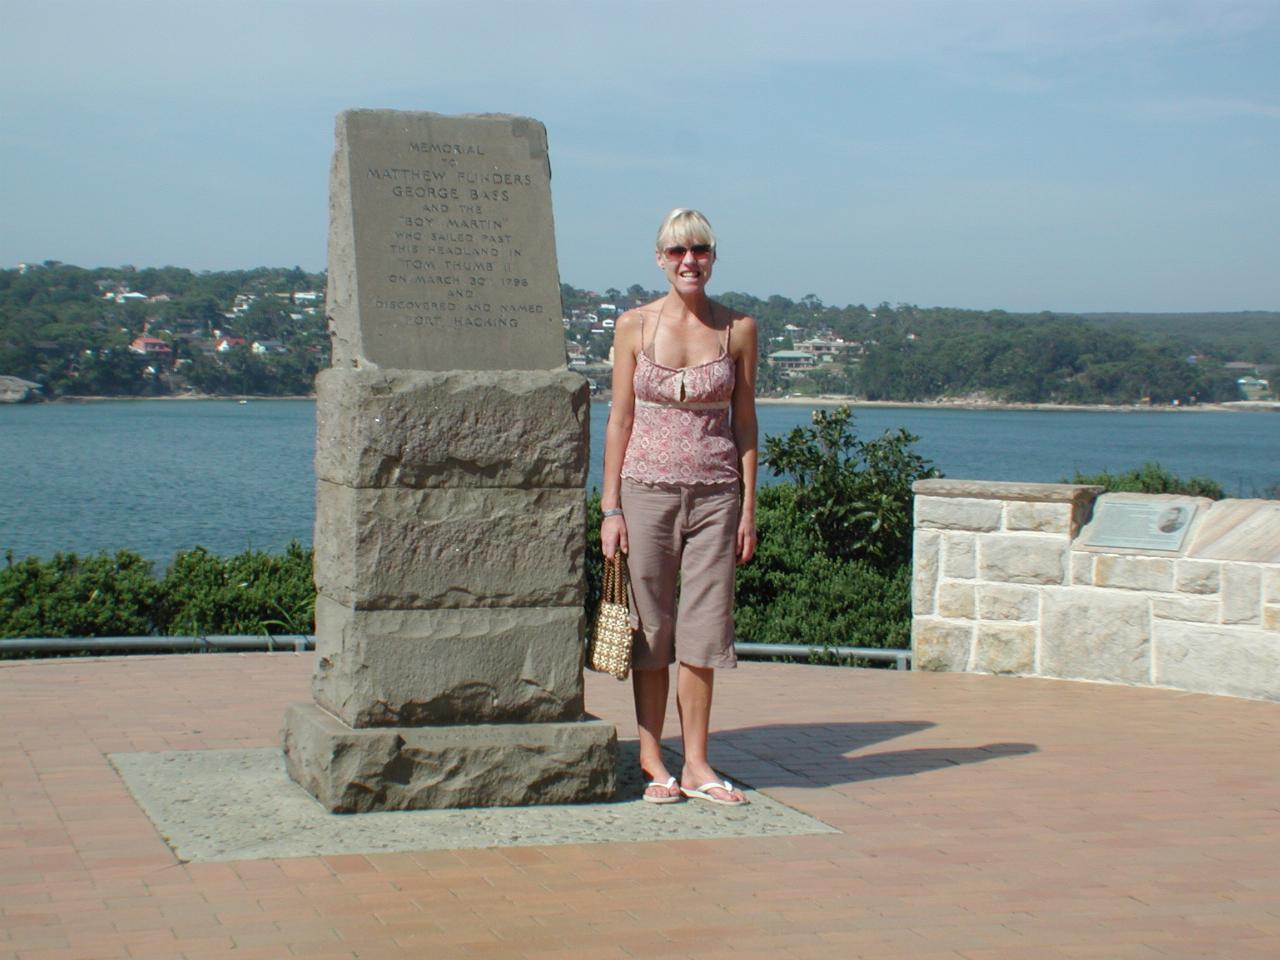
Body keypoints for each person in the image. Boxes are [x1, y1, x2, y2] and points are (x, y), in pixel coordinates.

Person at [599, 208, 758, 806]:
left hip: (717, 496)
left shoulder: (737, 328)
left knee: (704, 630)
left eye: (700, 250)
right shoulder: (633, 327)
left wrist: (748, 509)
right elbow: (619, 418)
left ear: (713, 257)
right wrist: (610, 508)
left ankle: (695, 763)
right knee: (652, 628)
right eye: (677, 252)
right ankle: (649, 755)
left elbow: (745, 422)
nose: (689, 260)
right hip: (645, 492)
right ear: (660, 259)